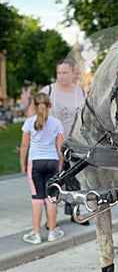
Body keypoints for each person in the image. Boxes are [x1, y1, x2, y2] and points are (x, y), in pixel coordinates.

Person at [27, 59, 87, 224]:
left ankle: (75, 212)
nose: (61, 76)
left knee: (76, 181)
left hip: (76, 144)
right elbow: (32, 110)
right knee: (54, 183)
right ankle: (50, 219)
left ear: (73, 73)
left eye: (65, 73)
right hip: (53, 147)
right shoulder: (49, 90)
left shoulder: (81, 92)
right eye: (58, 73)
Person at [20, 93, 64, 244]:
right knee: (51, 198)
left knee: (37, 198)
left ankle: (36, 234)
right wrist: (60, 167)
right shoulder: (57, 123)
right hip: (52, 161)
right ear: (50, 105)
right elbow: (61, 149)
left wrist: (22, 164)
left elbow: (24, 146)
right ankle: (52, 232)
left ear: (33, 106)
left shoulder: (28, 123)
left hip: (35, 163)